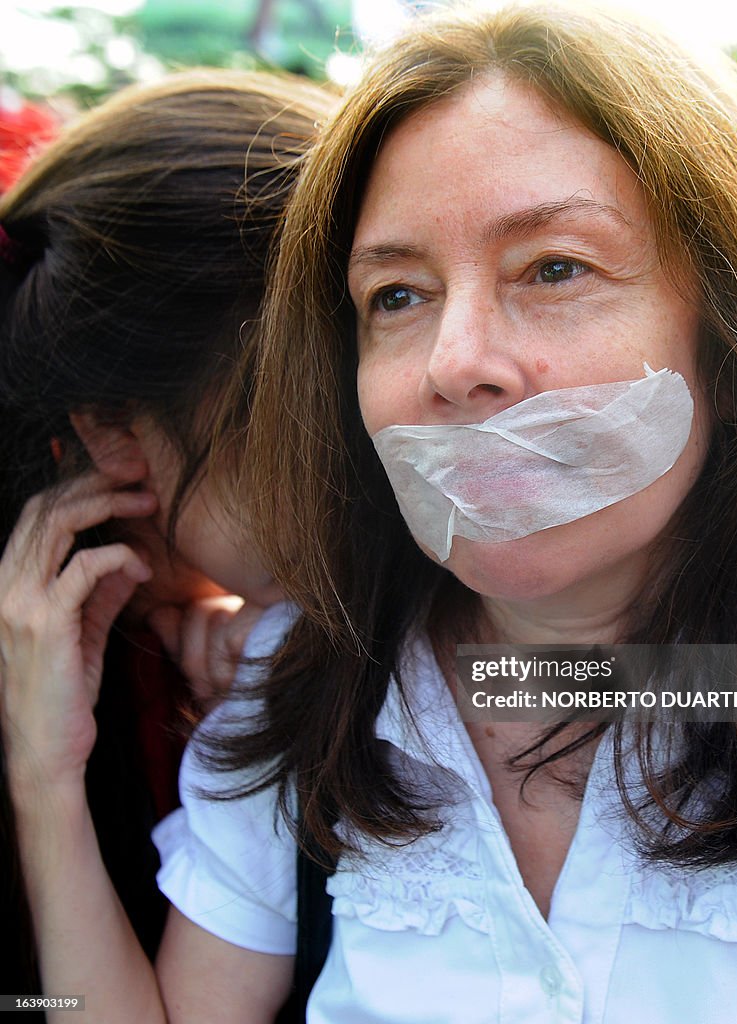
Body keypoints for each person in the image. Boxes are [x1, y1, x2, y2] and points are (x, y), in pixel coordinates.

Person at [217, 5, 737, 1021]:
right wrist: (45, 778)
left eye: (554, 268)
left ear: (736, 345)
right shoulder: (300, 690)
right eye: (395, 295)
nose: (453, 362)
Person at [0, 69, 333, 1016]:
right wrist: (46, 774)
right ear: (111, 432)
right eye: (306, 431)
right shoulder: (271, 683)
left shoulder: (282, 651)